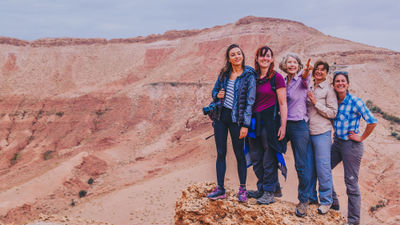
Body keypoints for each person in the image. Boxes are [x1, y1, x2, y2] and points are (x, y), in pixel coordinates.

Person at [207, 44, 256, 203]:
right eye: (233, 55)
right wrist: (217, 94)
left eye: (238, 54)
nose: (236, 56)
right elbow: (214, 92)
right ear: (229, 58)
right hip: (221, 117)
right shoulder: (224, 73)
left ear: (242, 55)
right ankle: (220, 188)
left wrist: (245, 125)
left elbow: (250, 102)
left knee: (239, 153)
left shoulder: (248, 75)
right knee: (221, 153)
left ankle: (242, 189)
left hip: (238, 120)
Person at [331, 71, 377, 225]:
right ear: (333, 84)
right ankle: (333, 201)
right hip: (337, 143)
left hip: (351, 146)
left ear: (348, 84)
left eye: (343, 81)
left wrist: (361, 137)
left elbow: (372, 121)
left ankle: (353, 221)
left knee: (351, 183)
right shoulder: (333, 101)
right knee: (322, 168)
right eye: (337, 81)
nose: (340, 83)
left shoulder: (355, 101)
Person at [246, 46, 287, 205]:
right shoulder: (252, 78)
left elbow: (283, 103)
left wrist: (283, 126)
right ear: (256, 58)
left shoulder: (277, 78)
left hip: (270, 123)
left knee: (268, 159)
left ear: (271, 58)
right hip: (253, 123)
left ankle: (269, 192)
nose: (265, 58)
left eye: (268, 56)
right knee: (256, 158)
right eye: (261, 56)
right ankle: (263, 188)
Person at [279, 53, 313, 217]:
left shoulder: (302, 79)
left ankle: (304, 200)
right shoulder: (284, 81)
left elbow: (306, 77)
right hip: (284, 124)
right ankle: (270, 189)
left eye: (294, 62)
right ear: (284, 65)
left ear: (299, 65)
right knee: (271, 151)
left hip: (299, 125)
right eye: (288, 62)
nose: (291, 65)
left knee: (301, 163)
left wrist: (306, 70)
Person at [306, 61, 338, 214]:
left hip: (322, 132)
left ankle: (326, 200)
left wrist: (315, 102)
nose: (318, 72)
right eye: (316, 70)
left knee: (323, 167)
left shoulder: (329, 90)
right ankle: (311, 197)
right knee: (309, 167)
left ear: (326, 73)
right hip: (307, 132)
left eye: (322, 70)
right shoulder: (309, 86)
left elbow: (333, 112)